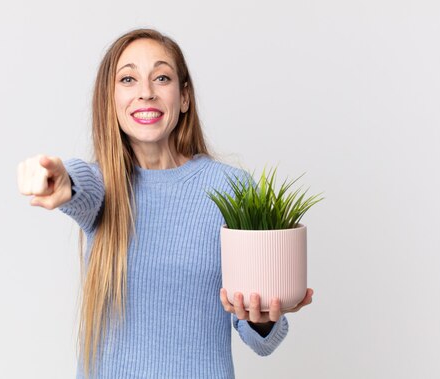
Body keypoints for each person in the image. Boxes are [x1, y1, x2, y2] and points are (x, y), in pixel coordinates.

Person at [17, 28, 313, 378]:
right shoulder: (103, 184)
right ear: (109, 101)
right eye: (128, 79)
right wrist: (59, 178)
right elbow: (80, 183)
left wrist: (264, 319)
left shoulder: (231, 188)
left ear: (184, 97)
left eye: (161, 77)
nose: (146, 93)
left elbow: (263, 342)